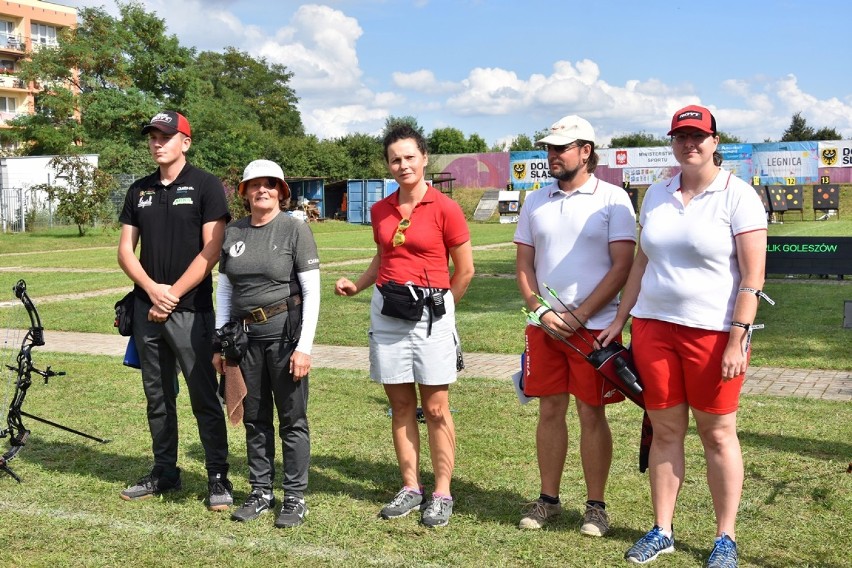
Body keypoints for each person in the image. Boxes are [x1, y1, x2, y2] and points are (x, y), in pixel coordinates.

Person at [598, 105, 768, 567]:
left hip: (713, 334)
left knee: (718, 435)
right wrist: (621, 318)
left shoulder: (739, 196)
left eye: (698, 136)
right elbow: (641, 262)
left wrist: (738, 338)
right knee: (667, 431)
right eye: (680, 136)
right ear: (671, 142)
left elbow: (753, 279)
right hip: (654, 330)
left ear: (716, 142)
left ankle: (724, 539)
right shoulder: (657, 192)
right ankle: (662, 530)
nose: (689, 144)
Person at [334, 124, 474, 528]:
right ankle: (411, 488)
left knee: (435, 408)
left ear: (424, 158)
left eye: (410, 157)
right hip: (388, 315)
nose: (403, 165)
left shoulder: (446, 207)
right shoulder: (381, 209)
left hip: (431, 319)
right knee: (400, 407)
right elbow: (383, 258)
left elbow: (464, 271)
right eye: (395, 159)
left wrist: (442, 310)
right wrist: (358, 285)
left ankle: (442, 492)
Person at [514, 115, 637, 535]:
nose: (552, 154)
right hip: (544, 326)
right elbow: (525, 265)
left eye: (561, 148)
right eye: (549, 147)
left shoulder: (613, 198)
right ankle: (548, 499)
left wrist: (580, 316)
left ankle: (596, 506)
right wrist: (541, 312)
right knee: (549, 410)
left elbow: (623, 266)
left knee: (591, 412)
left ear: (586, 151)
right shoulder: (535, 200)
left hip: (595, 329)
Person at [117, 111, 232, 511]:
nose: (156, 142)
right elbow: (124, 252)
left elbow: (211, 250)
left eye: (165, 135)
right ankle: (165, 471)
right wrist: (152, 290)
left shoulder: (205, 186)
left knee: (203, 396)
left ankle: (218, 475)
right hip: (147, 311)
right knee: (158, 397)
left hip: (191, 311)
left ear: (185, 141)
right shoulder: (139, 190)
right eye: (152, 136)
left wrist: (173, 294)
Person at [213, 159, 321, 528]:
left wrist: (304, 347)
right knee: (255, 419)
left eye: (271, 184)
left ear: (282, 191)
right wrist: (220, 343)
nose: (263, 190)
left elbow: (312, 291)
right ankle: (261, 491)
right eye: (255, 184)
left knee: (292, 420)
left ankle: (294, 496)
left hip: (286, 339)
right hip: (245, 342)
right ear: (244, 191)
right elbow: (225, 289)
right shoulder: (234, 232)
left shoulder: (295, 229)